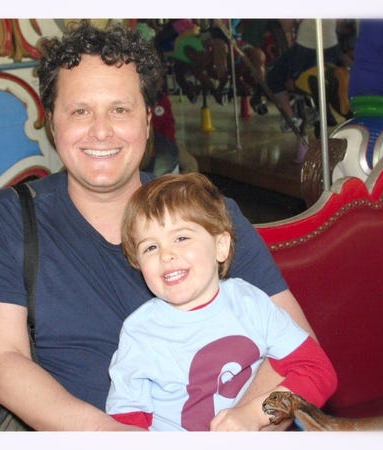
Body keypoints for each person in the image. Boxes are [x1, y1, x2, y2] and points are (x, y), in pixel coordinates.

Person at [0, 20, 317, 431]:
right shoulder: (5, 220)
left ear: (147, 121)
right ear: (52, 122)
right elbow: (4, 364)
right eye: (80, 111)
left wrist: (253, 422)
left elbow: (304, 357)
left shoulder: (209, 214)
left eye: (120, 109)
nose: (101, 130)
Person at [106, 173, 337, 431]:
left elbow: (317, 371)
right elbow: (127, 423)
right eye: (150, 247)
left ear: (221, 246)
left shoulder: (251, 304)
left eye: (181, 238)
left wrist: (257, 414)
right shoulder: (139, 333)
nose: (166, 255)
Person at [266, 19, 351, 132]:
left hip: (306, 49)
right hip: (332, 48)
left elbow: (287, 25)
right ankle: (319, 108)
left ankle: (290, 118)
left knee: (274, 77)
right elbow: (340, 21)